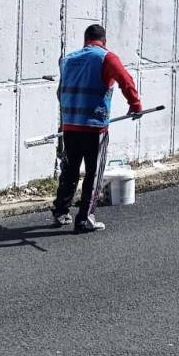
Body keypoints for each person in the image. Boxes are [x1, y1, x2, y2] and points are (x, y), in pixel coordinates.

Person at [52, 23, 142, 233]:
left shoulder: (67, 60)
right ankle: (84, 219)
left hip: (70, 126)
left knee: (69, 170)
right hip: (94, 128)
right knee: (93, 174)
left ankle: (60, 212)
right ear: (104, 41)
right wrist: (135, 105)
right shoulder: (106, 57)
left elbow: (60, 93)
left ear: (85, 40)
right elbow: (126, 81)